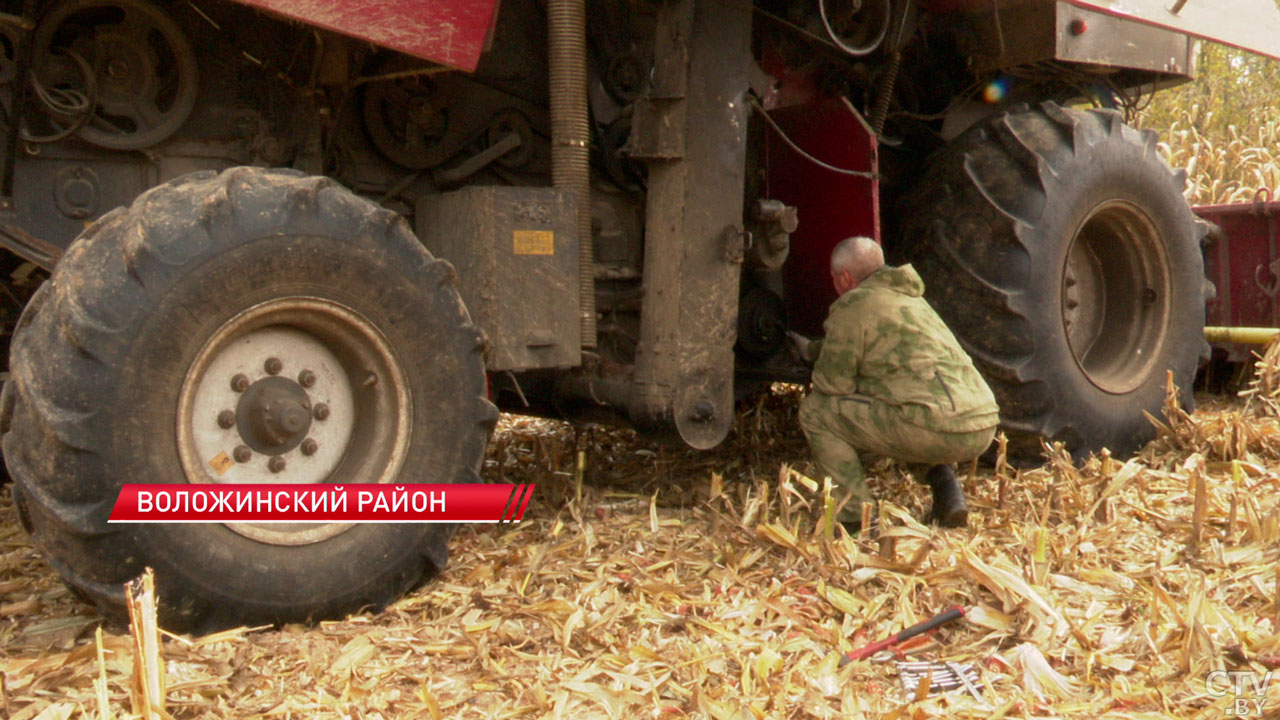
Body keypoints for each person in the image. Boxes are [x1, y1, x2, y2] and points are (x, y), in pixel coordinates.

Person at [791, 236, 999, 529]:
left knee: (816, 412)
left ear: (845, 278)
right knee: (909, 405)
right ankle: (948, 493)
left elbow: (833, 386)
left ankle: (852, 519)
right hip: (982, 423)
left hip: (932, 426)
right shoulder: (911, 300)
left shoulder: (852, 306)